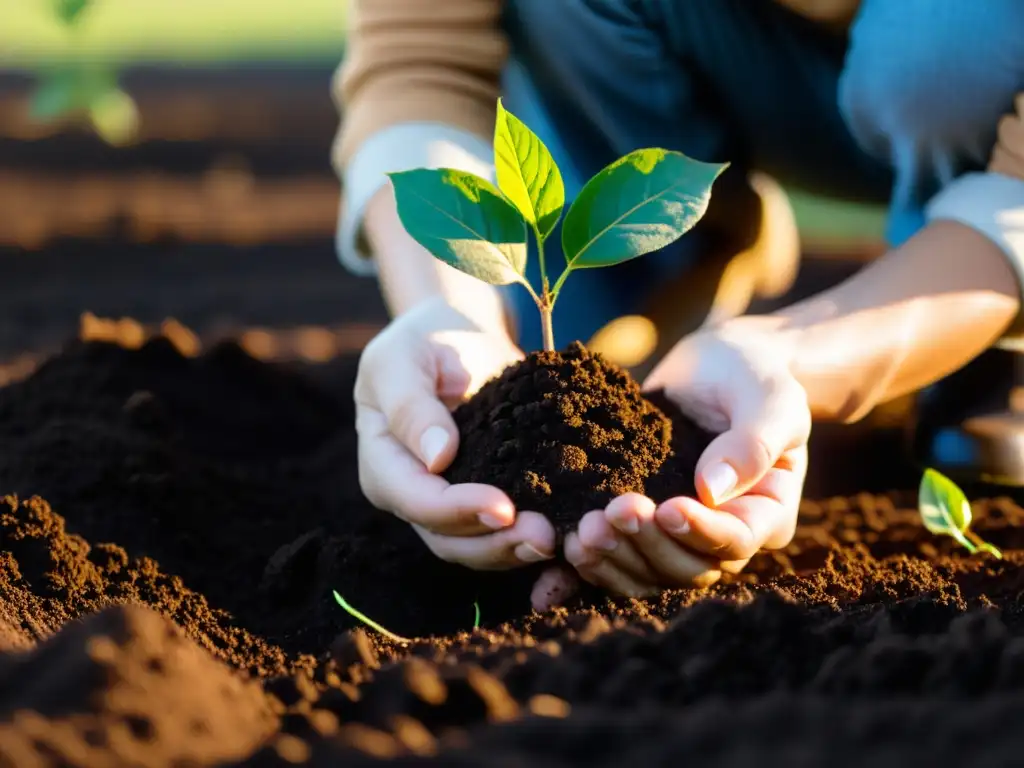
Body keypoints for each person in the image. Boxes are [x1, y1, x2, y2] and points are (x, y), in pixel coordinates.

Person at [333, 0, 1024, 610]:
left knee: (940, 40)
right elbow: (416, 59)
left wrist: (803, 356)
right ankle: (680, 274)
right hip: (738, 52)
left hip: (969, 70)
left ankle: (988, 334)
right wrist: (447, 310)